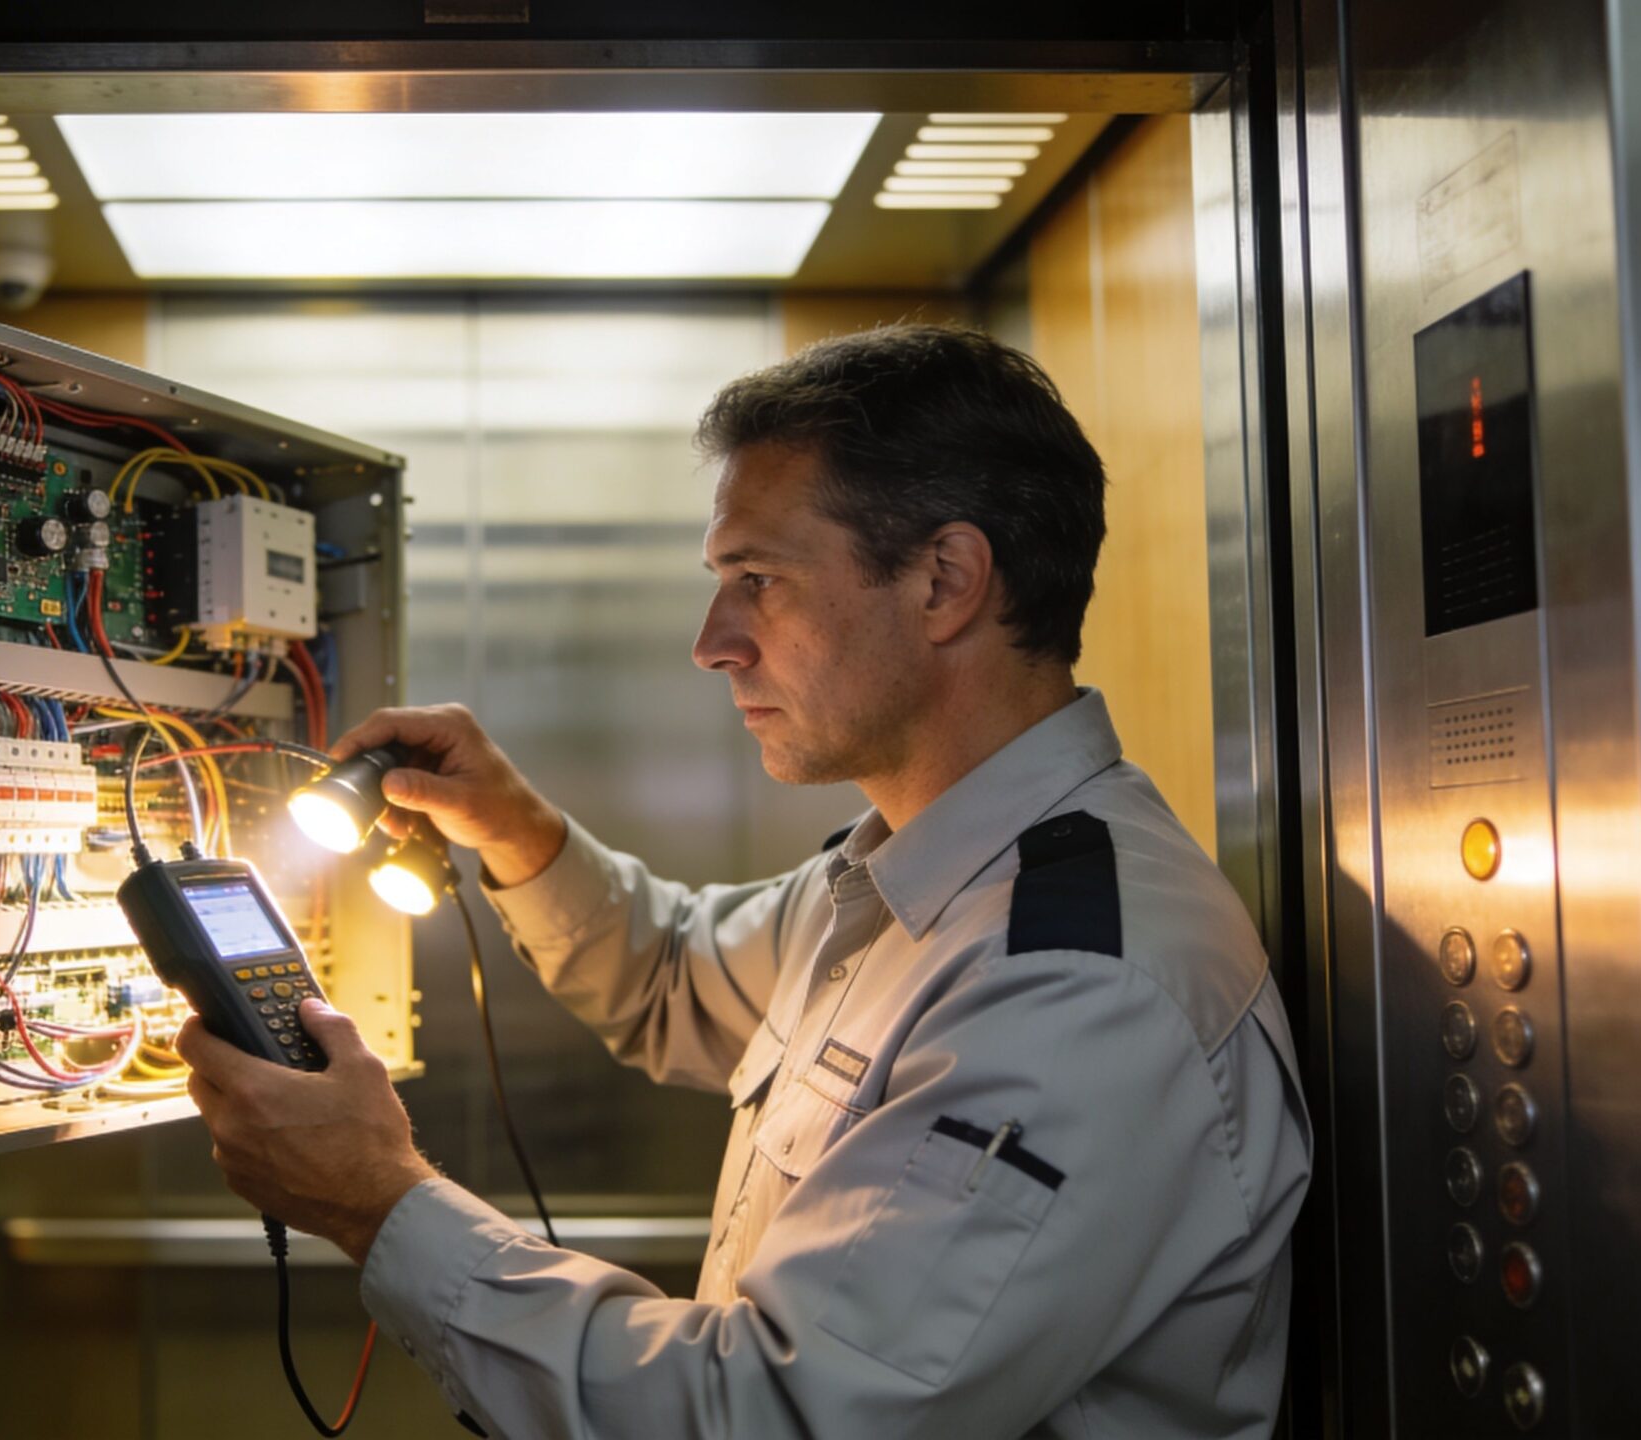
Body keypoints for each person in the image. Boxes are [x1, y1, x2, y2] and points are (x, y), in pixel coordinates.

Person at [174, 325, 1312, 1439]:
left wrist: (380, 1202)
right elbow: (673, 976)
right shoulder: (908, 880)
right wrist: (517, 831)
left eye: (756, 579)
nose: (711, 641)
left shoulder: (1074, 990)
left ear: (944, 581)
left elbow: (772, 1415)